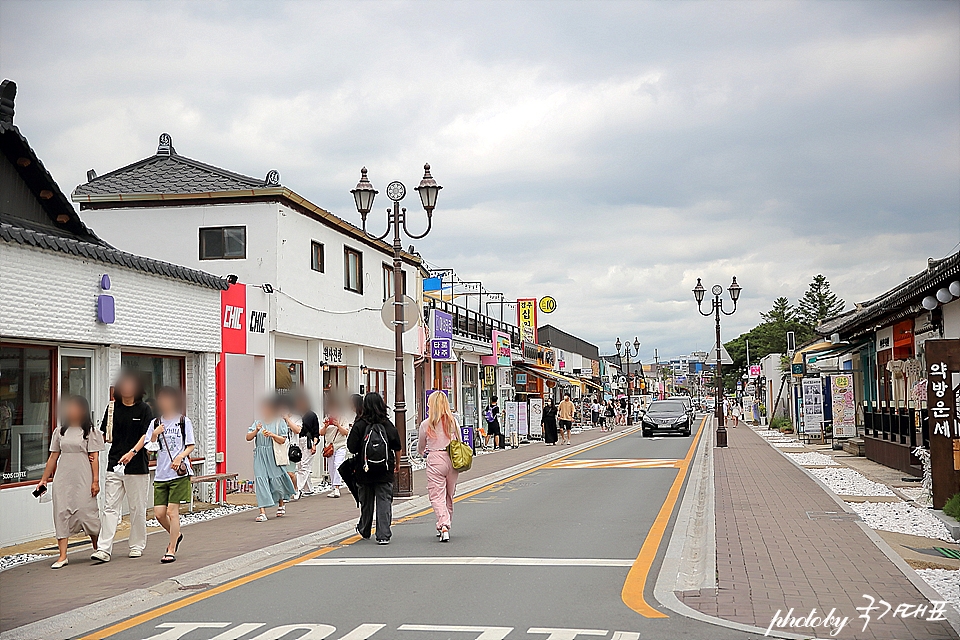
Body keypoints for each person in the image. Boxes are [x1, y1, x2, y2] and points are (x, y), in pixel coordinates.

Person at [35, 396, 103, 569]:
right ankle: (63, 555)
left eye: (74, 407)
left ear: (83, 410)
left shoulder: (90, 432)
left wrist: (95, 481)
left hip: (83, 477)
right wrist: (44, 479)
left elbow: (95, 458)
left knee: (86, 511)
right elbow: (53, 456)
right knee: (61, 512)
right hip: (63, 478)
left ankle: (98, 546)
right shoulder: (60, 431)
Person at [92, 372, 152, 563]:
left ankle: (136, 545)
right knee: (110, 508)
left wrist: (132, 452)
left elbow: (146, 435)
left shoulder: (144, 409)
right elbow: (104, 434)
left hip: (137, 466)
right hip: (114, 464)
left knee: (137, 508)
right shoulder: (112, 409)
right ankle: (103, 549)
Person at [144, 387, 194, 564]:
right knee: (159, 514)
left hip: (179, 473)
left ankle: (171, 548)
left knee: (173, 512)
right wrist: (154, 436)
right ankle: (177, 534)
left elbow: (190, 445)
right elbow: (149, 450)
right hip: (161, 473)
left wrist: (180, 457)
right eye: (161, 399)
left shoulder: (183, 421)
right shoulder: (155, 423)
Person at [347, 393, 401, 545]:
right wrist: (396, 464)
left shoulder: (360, 424)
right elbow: (397, 446)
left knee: (366, 501)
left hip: (364, 469)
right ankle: (383, 534)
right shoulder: (387, 424)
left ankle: (364, 529)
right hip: (384, 468)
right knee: (384, 500)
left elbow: (351, 447)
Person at [417, 391, 462, 542]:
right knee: (449, 494)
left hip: (435, 459)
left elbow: (421, 446)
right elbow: (460, 441)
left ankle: (443, 524)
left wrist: (423, 452)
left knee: (437, 495)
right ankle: (447, 523)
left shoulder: (426, 424)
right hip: (452, 459)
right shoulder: (453, 422)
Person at [247, 396, 297, 521]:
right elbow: (248, 437)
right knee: (260, 480)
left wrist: (273, 435)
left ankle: (281, 502)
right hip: (260, 455)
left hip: (274, 455)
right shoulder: (257, 423)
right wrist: (256, 431)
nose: (265, 411)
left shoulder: (279, 423)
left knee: (276, 480)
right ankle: (262, 512)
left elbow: (283, 440)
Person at [320, 396, 352, 498]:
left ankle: (337, 487)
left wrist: (338, 425)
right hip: (329, 447)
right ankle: (334, 487)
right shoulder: (326, 419)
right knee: (331, 468)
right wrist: (325, 426)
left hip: (341, 445)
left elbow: (346, 432)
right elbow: (321, 433)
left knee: (338, 465)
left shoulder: (343, 419)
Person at [295, 393, 319, 498]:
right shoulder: (296, 415)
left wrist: (314, 444)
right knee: (300, 464)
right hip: (297, 440)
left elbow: (316, 432)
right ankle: (308, 489)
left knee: (304, 465)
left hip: (307, 441)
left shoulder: (312, 415)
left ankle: (297, 488)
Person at [279, 396, 302, 498]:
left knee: (290, 473)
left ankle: (296, 489)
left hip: (292, 449)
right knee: (282, 473)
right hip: (280, 449)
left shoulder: (296, 418)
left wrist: (287, 419)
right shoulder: (278, 419)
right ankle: (286, 492)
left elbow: (297, 430)